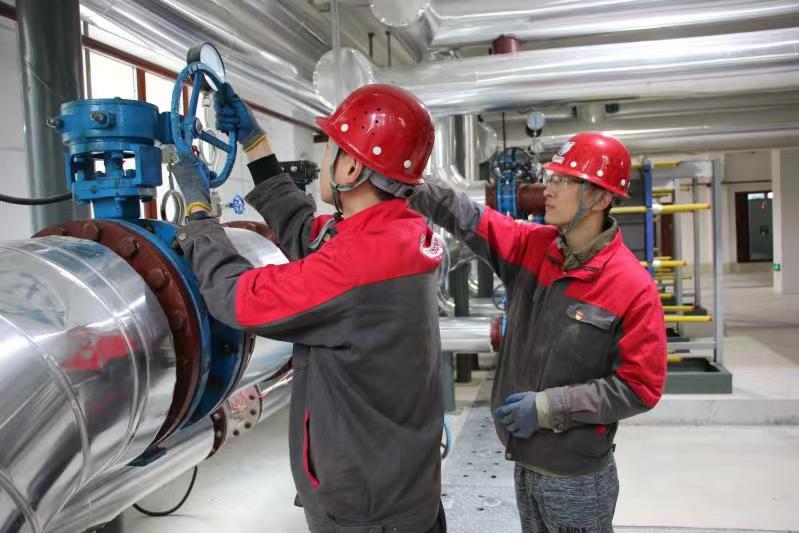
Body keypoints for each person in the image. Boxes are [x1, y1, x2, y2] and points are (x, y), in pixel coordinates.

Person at [172, 83, 447, 533]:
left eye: (331, 149)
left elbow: (237, 297)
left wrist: (200, 216)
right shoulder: (400, 234)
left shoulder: (357, 265)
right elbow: (308, 235)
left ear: (352, 166)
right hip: (404, 486)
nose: (325, 159)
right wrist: (255, 145)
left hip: (366, 512)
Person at [410, 132, 667, 532]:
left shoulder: (631, 286)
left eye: (564, 181)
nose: (548, 190)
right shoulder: (534, 246)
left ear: (600, 198)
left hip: (577, 477)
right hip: (525, 462)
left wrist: (549, 408)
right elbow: (470, 218)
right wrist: (410, 180)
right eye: (551, 178)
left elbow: (640, 387)